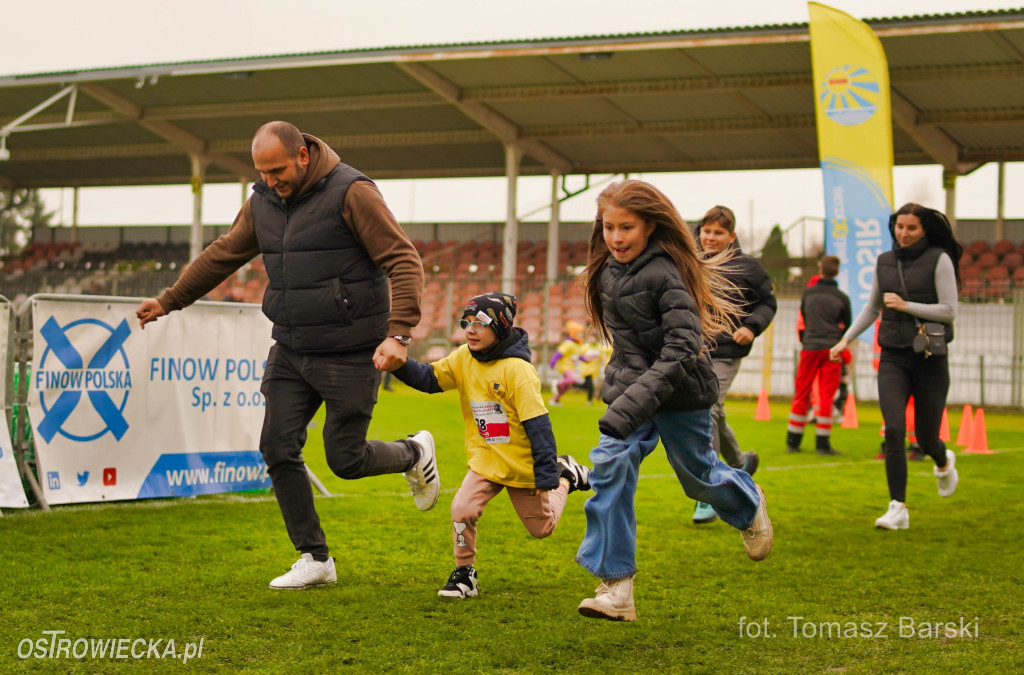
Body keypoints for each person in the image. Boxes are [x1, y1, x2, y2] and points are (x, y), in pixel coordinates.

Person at [136, 121, 440, 589]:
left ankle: (413, 452)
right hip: (292, 349)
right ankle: (314, 557)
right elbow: (224, 253)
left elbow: (403, 260)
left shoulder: (352, 192)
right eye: (261, 172)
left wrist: (398, 334)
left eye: (276, 170)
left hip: (352, 349)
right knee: (277, 448)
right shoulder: (262, 200)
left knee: (346, 459)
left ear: (302, 155)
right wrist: (170, 299)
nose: (269, 180)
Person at [574, 180, 773, 622]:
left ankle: (747, 500)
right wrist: (624, 393)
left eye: (626, 227)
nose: (616, 237)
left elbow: (682, 347)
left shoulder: (667, 272)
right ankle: (616, 587)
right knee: (609, 468)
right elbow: (626, 345)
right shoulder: (607, 272)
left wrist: (636, 397)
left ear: (650, 226)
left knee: (699, 479)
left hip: (681, 393)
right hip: (632, 391)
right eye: (609, 227)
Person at [390, 291, 591, 598]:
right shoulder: (463, 357)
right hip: (485, 459)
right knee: (461, 509)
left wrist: (549, 476)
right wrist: (398, 364)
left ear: (500, 326)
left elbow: (539, 427)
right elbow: (430, 379)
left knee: (542, 528)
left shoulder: (518, 370)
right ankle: (464, 574)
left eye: (480, 323)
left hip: (521, 464)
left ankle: (567, 475)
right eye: (465, 322)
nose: (470, 329)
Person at [830, 203, 961, 530]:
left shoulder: (939, 259)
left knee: (928, 437)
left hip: (930, 357)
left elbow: (949, 310)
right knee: (894, 430)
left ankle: (943, 462)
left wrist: (906, 305)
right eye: (899, 226)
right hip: (893, 357)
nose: (903, 233)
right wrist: (846, 339)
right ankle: (897, 507)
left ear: (924, 230)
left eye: (911, 228)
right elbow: (872, 309)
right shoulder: (884, 262)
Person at [690, 205, 777, 525]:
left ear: (732, 236)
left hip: (727, 351)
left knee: (707, 410)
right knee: (715, 411)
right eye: (707, 231)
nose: (711, 238)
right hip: (694, 350)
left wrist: (751, 326)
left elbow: (768, 303)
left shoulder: (749, 267)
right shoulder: (690, 263)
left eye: (719, 233)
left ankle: (710, 491)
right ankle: (740, 461)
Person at [786, 255, 851, 455]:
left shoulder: (808, 293)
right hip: (832, 349)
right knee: (826, 395)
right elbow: (847, 325)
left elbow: (804, 316)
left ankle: (793, 441)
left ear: (820, 269)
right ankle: (822, 444)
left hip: (810, 347)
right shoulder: (841, 297)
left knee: (802, 392)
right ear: (837, 272)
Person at [547, 320, 584, 406]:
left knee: (566, 386)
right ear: (574, 333)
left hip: (571, 367)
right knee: (573, 379)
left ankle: (555, 400)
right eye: (579, 333)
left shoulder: (576, 345)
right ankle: (556, 383)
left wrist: (586, 359)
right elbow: (559, 353)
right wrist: (552, 363)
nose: (581, 335)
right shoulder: (568, 343)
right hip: (565, 367)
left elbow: (578, 355)